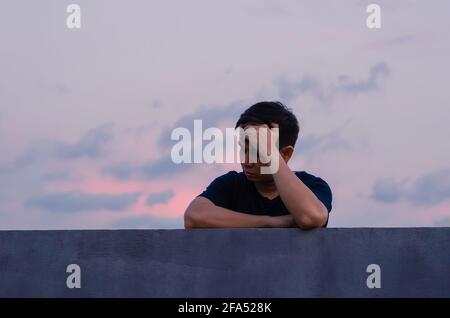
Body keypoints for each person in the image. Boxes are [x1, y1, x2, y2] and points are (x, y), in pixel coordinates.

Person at [184, 101, 332, 229]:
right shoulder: (231, 185)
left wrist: (270, 152)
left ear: (285, 154)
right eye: (244, 150)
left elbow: (311, 218)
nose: (247, 162)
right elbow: (194, 217)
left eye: (257, 152)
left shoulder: (312, 185)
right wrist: (270, 222)